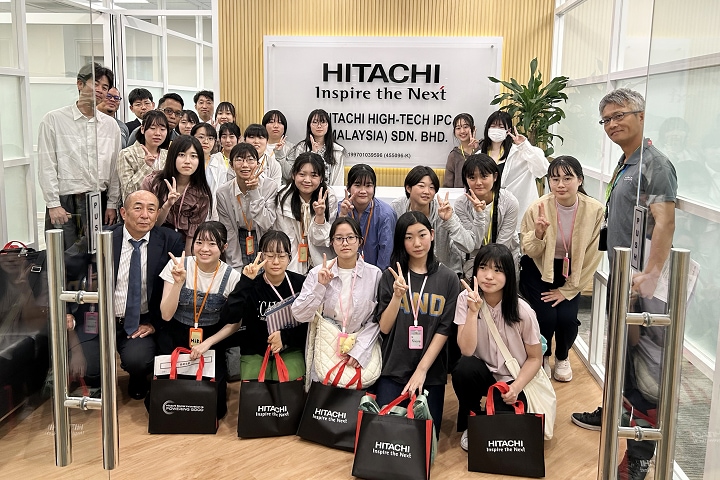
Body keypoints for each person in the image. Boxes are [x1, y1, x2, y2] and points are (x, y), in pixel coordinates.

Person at [570, 88, 677, 480]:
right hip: (623, 279)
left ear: (642, 115)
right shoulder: (628, 161)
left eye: (620, 116)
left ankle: (639, 458)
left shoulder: (655, 164)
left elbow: (664, 221)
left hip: (643, 288)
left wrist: (650, 274)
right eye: (607, 120)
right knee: (620, 359)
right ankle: (613, 411)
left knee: (645, 375)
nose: (613, 124)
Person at [374, 211, 461, 438]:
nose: (417, 243)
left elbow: (444, 330)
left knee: (424, 438)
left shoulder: (448, 279)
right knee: (387, 436)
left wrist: (421, 371)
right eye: (409, 237)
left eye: (422, 235)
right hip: (393, 367)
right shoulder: (391, 276)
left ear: (432, 235)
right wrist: (396, 296)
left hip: (430, 372)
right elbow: (384, 327)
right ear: (401, 241)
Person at [519, 156, 603, 382]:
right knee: (544, 317)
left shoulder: (595, 210)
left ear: (580, 180)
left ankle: (563, 356)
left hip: (572, 270)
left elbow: (594, 254)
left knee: (566, 318)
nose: (561, 185)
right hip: (538, 267)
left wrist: (568, 289)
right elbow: (529, 251)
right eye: (554, 179)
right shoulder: (537, 208)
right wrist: (538, 234)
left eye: (567, 178)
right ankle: (543, 356)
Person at [451, 244, 542, 451]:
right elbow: (466, 350)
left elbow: (535, 358)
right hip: (482, 373)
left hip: (513, 377)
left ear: (509, 275)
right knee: (463, 368)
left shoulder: (523, 311)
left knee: (505, 436)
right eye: (483, 268)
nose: (488, 276)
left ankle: (495, 413)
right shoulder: (465, 299)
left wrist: (516, 387)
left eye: (498, 270)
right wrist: (473, 312)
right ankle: (472, 419)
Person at [159, 221, 242, 419]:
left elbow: (235, 323)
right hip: (176, 337)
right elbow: (166, 315)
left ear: (223, 247)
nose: (204, 249)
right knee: (166, 401)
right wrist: (178, 284)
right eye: (199, 242)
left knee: (215, 408)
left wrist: (208, 343)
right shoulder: (178, 265)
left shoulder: (232, 277)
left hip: (211, 341)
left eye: (212, 244)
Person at [109, 190, 184, 399]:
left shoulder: (171, 241)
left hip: (141, 320)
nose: (145, 215)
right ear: (123, 213)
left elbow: (171, 290)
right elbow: (68, 266)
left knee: (138, 360)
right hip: (102, 318)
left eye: (151, 209)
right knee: (89, 369)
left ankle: (138, 375)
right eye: (138, 208)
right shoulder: (104, 239)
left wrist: (153, 324)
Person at [38, 62, 121, 250]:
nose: (100, 90)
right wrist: (53, 203)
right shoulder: (54, 119)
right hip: (66, 202)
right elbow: (47, 165)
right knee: (63, 259)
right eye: (96, 83)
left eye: (105, 87)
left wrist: (112, 203)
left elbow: (115, 168)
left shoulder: (111, 125)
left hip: (99, 199)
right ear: (79, 84)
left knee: (98, 258)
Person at [292, 217, 383, 384]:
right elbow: (299, 314)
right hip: (325, 349)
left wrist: (360, 350)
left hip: (358, 350)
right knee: (325, 405)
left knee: (355, 406)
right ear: (332, 242)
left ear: (360, 241)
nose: (345, 243)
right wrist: (320, 286)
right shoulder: (317, 273)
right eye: (339, 238)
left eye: (351, 237)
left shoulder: (375, 275)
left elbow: (377, 320)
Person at [220, 230, 307, 381]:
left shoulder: (300, 284)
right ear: (261, 256)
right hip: (255, 351)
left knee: (287, 380)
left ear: (289, 258)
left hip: (290, 348)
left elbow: (308, 325)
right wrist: (245, 282)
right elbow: (229, 316)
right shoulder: (251, 284)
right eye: (270, 256)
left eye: (281, 256)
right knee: (254, 388)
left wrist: (285, 338)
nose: (275, 262)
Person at [141, 135, 212, 253]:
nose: (187, 161)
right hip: (151, 242)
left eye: (193, 156)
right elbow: (152, 223)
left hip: (181, 246)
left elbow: (191, 236)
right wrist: (167, 205)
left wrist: (186, 262)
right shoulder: (153, 182)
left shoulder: (201, 194)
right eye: (182, 155)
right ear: (172, 157)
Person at [479, 111, 547, 232]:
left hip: (518, 211)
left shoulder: (521, 153)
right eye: (493, 126)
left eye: (501, 127)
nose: (496, 130)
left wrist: (524, 145)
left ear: (508, 130)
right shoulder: (480, 155)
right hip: (488, 212)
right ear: (487, 128)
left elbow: (541, 170)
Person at [454, 154, 520, 278]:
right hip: (475, 258)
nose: (478, 183)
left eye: (484, 176)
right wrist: (479, 213)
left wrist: (491, 269)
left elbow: (503, 244)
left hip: (505, 257)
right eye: (472, 177)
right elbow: (473, 243)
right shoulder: (460, 205)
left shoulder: (510, 202)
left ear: (495, 176)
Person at [391, 166, 465, 275]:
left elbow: (468, 246)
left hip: (444, 273)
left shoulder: (443, 210)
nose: (427, 191)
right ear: (408, 188)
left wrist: (449, 221)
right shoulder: (397, 208)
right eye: (421, 186)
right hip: (407, 272)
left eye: (432, 187)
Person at [216, 143, 278, 270]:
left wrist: (254, 191)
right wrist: (236, 266)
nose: (245, 165)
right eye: (239, 159)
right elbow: (229, 231)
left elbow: (267, 223)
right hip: (238, 237)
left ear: (258, 164)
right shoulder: (223, 192)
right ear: (231, 165)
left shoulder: (269, 186)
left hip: (263, 237)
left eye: (250, 160)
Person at [273, 152, 337, 275]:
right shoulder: (283, 198)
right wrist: (292, 271)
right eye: (302, 174)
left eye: (314, 175)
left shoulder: (329, 197)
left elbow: (325, 239)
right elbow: (286, 238)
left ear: (321, 178)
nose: (307, 180)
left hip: (322, 258)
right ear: (293, 175)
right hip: (292, 260)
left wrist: (320, 216)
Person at [338, 164, 396, 270]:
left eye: (368, 185)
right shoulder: (339, 208)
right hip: (343, 271)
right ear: (348, 188)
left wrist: (377, 280)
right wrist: (343, 216)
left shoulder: (386, 214)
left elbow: (386, 253)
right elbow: (332, 243)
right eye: (358, 185)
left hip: (375, 275)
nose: (363, 191)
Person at [117, 110, 171, 203]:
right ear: (142, 129)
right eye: (152, 128)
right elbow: (128, 191)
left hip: (163, 211)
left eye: (162, 129)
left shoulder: (168, 155)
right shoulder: (127, 154)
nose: (158, 133)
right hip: (137, 210)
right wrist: (146, 166)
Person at [287, 109, 346, 186]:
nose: (319, 126)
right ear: (309, 126)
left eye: (323, 122)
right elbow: (296, 174)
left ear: (328, 125)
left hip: (329, 194)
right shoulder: (301, 148)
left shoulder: (337, 150)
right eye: (315, 122)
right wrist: (313, 153)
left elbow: (338, 181)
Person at [192, 122, 229, 221]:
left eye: (210, 138)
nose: (206, 141)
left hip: (212, 216)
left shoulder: (219, 166)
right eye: (201, 137)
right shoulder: (187, 163)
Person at [443, 113, 480, 188]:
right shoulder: (453, 155)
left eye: (465, 127)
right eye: (458, 128)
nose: (462, 131)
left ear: (473, 128)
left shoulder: (483, 148)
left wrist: (477, 149)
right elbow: (447, 186)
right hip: (460, 198)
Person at [263, 109, 295, 184]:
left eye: (280, 123)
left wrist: (279, 154)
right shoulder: (258, 146)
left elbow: (290, 175)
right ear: (264, 126)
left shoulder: (292, 148)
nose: (276, 126)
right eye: (271, 122)